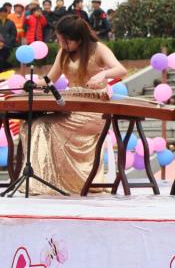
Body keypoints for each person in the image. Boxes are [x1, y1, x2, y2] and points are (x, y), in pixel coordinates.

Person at [14, 16, 127, 195]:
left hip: (94, 111)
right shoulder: (63, 52)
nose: (62, 44)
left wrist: (103, 75)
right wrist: (32, 83)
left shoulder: (98, 49)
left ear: (79, 39)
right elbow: (50, 79)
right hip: (72, 107)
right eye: (60, 40)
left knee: (44, 126)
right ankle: (47, 180)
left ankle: (50, 183)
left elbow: (121, 69)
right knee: (31, 125)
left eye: (66, 41)